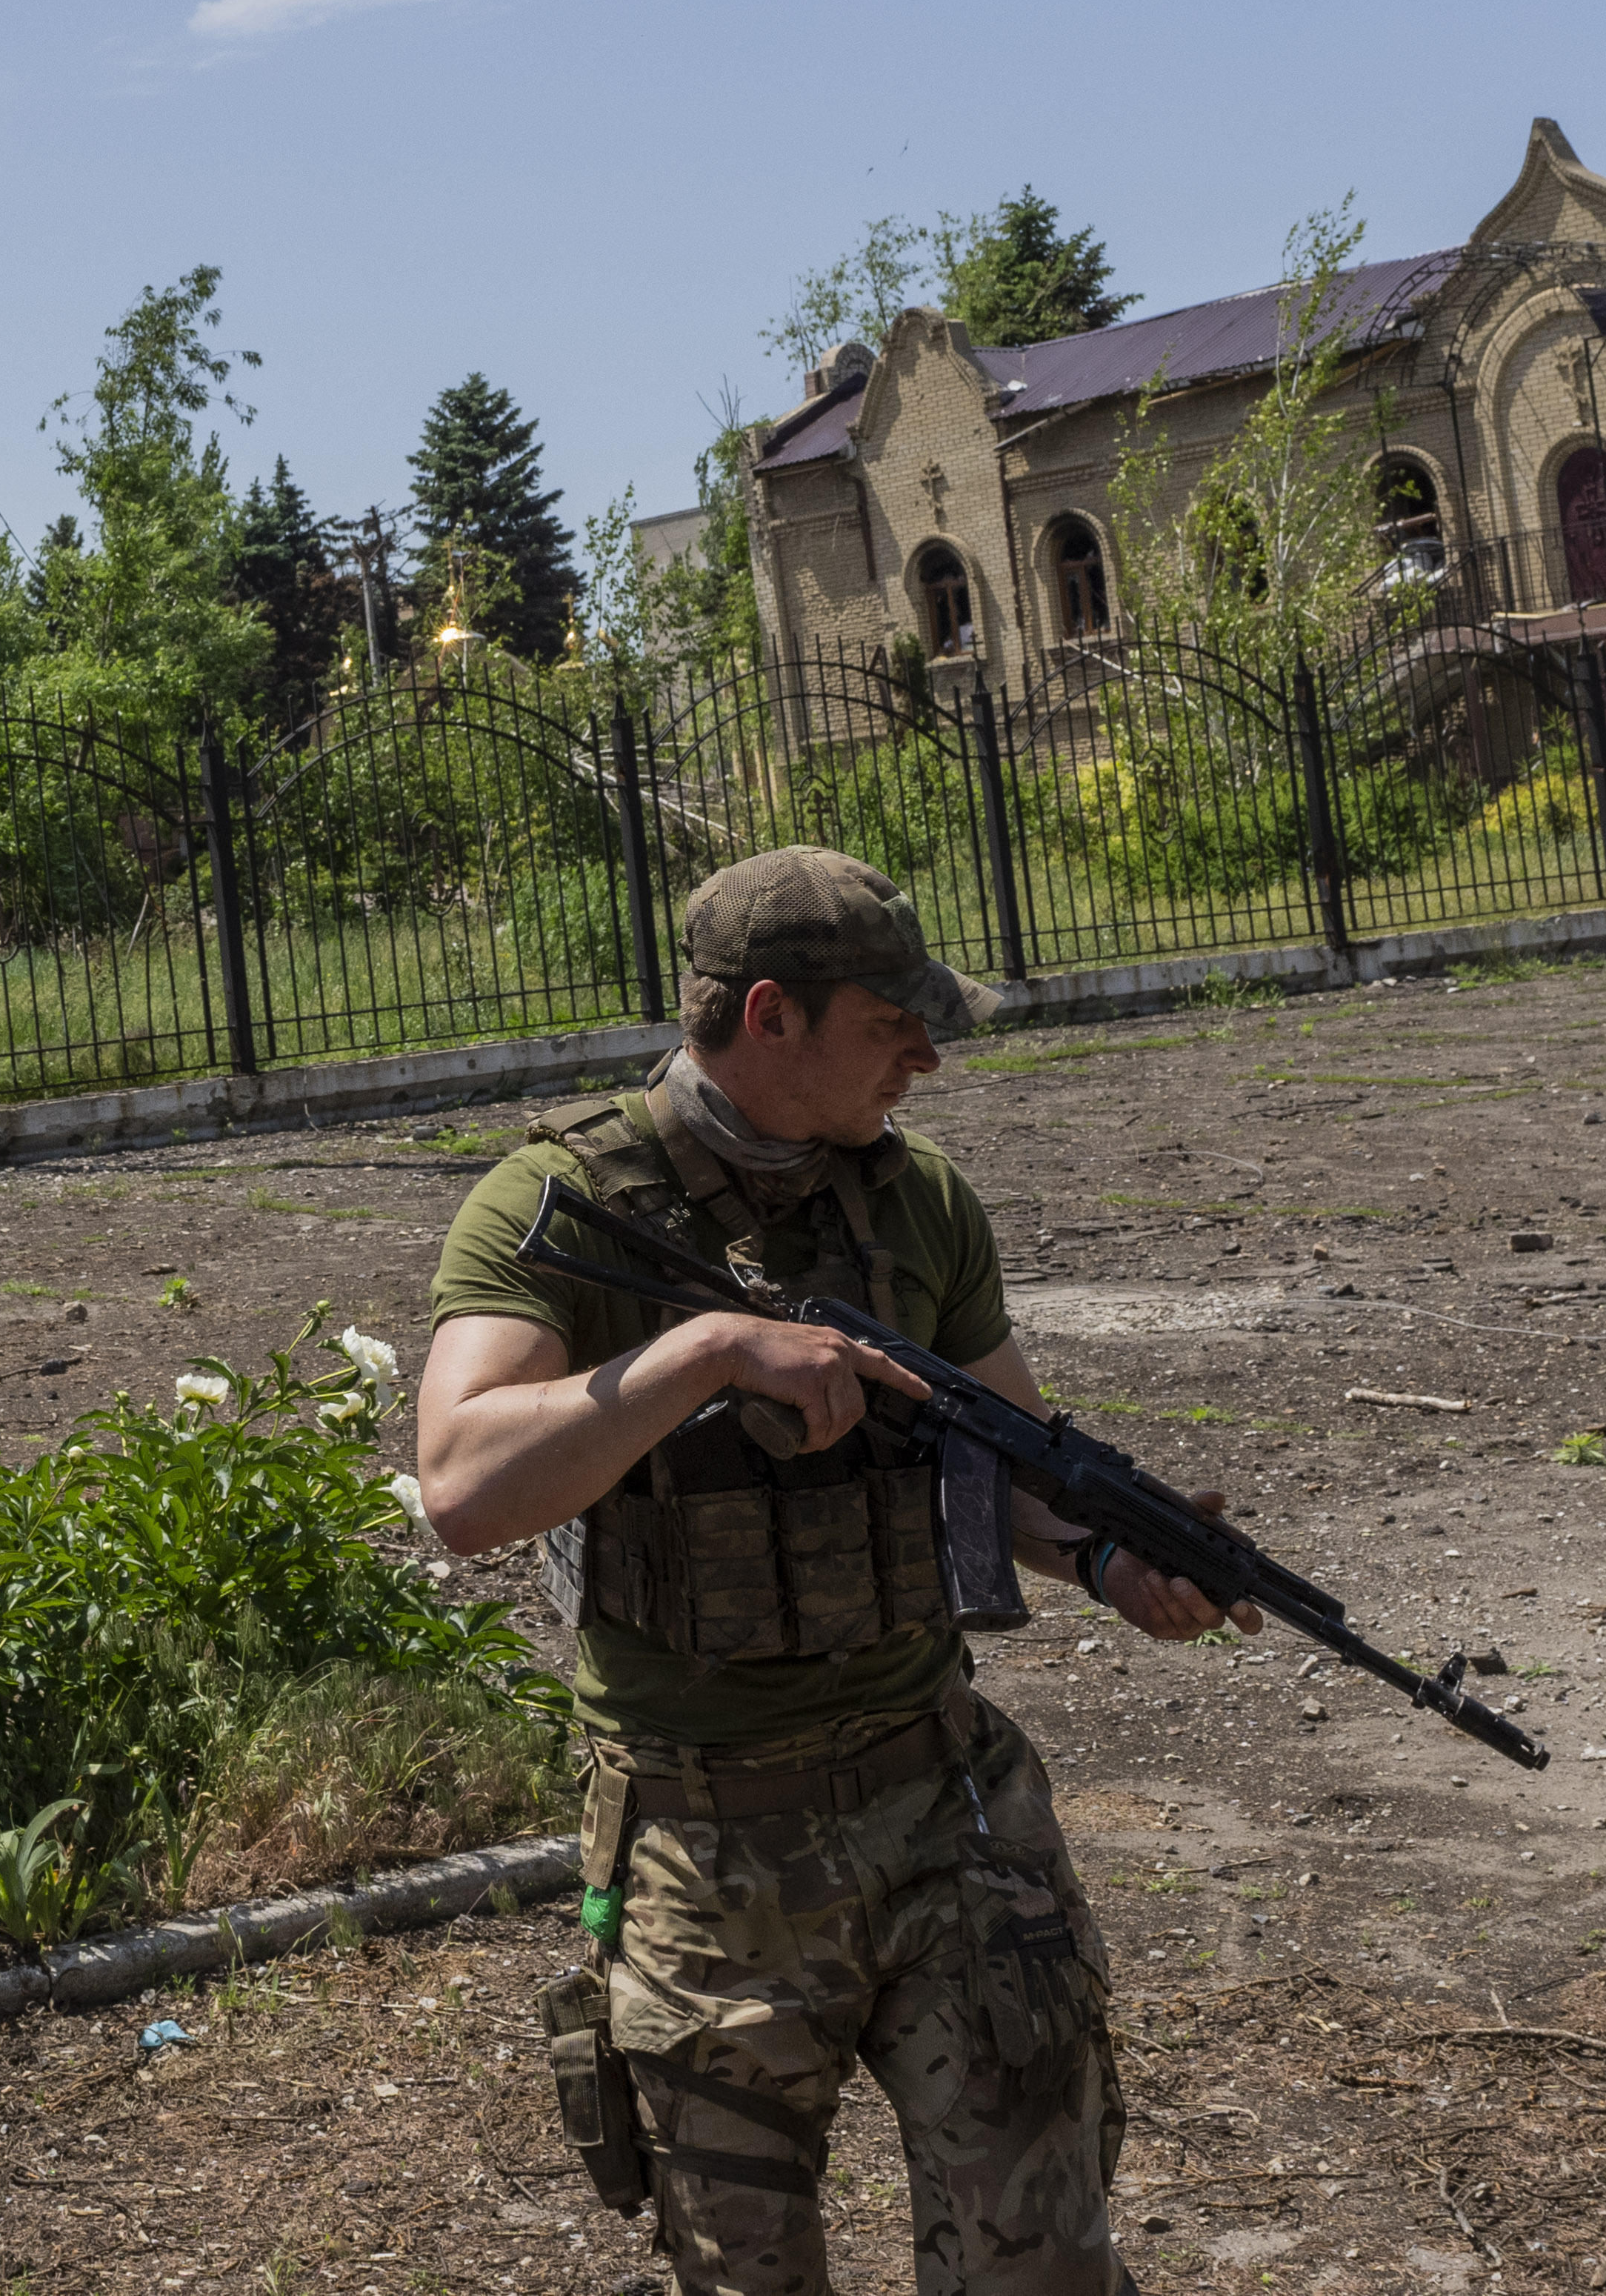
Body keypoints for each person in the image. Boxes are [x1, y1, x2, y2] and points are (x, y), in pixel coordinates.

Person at [416, 846, 1242, 2296]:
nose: (925, 1056)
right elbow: (463, 1489)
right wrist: (708, 1352)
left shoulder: (917, 1205)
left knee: (1041, 2261)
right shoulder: (555, 1199)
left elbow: (1001, 1462)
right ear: (766, 1016)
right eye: (888, 1021)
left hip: (941, 1803)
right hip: (702, 1840)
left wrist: (1110, 1552)